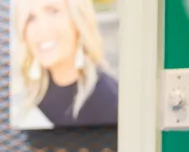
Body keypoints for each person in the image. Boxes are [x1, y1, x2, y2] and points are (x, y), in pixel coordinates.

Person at [10, 0, 118, 129]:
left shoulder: (109, 101)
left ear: (78, 21)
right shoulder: (33, 92)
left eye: (53, 12)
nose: (41, 29)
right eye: (30, 18)